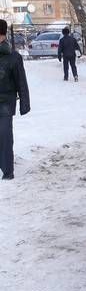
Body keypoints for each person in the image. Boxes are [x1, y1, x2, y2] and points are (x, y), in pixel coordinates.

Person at [0, 19, 30, 181]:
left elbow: (21, 82)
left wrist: (24, 103)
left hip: (5, 103)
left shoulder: (13, 57)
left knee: (4, 136)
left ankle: (7, 170)